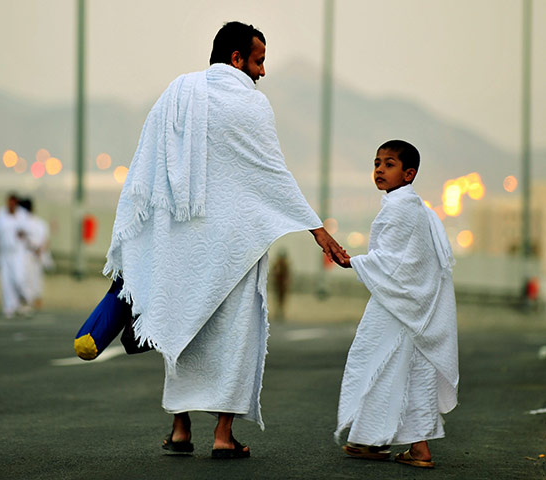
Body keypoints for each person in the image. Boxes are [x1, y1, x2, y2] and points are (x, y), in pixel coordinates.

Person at [103, 21, 349, 459]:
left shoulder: (176, 94)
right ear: (237, 59)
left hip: (180, 240)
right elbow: (271, 173)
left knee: (182, 328)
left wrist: (148, 232)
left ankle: (180, 431)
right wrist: (317, 229)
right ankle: (222, 435)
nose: (262, 72)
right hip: (234, 244)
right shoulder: (251, 106)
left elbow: (148, 165)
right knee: (234, 336)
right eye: (258, 61)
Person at [334, 140, 459, 469]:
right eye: (376, 162)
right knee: (398, 368)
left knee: (380, 364)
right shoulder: (415, 207)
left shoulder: (400, 207)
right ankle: (378, 441)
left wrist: (354, 263)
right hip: (410, 303)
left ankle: (408, 446)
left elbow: (395, 263)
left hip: (398, 304)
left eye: (388, 164)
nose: (378, 169)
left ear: (409, 174)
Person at [0, 193, 32, 319]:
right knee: (6, 280)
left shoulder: (22, 214)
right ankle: (9, 306)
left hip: (17, 252)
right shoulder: (0, 214)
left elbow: (27, 231)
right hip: (4, 252)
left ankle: (25, 298)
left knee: (18, 278)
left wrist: (22, 232)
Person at [18, 197, 53, 310]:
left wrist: (37, 250)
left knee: (30, 278)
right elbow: (46, 240)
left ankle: (30, 301)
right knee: (33, 278)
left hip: (29, 254)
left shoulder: (27, 222)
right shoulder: (40, 222)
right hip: (33, 254)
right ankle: (32, 300)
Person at [270, 249, 291, 321]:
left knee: (282, 300)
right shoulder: (277, 264)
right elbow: (274, 273)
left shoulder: (285, 265)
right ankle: (278, 312)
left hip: (282, 285)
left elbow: (287, 275)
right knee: (277, 299)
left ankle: (281, 312)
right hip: (278, 284)